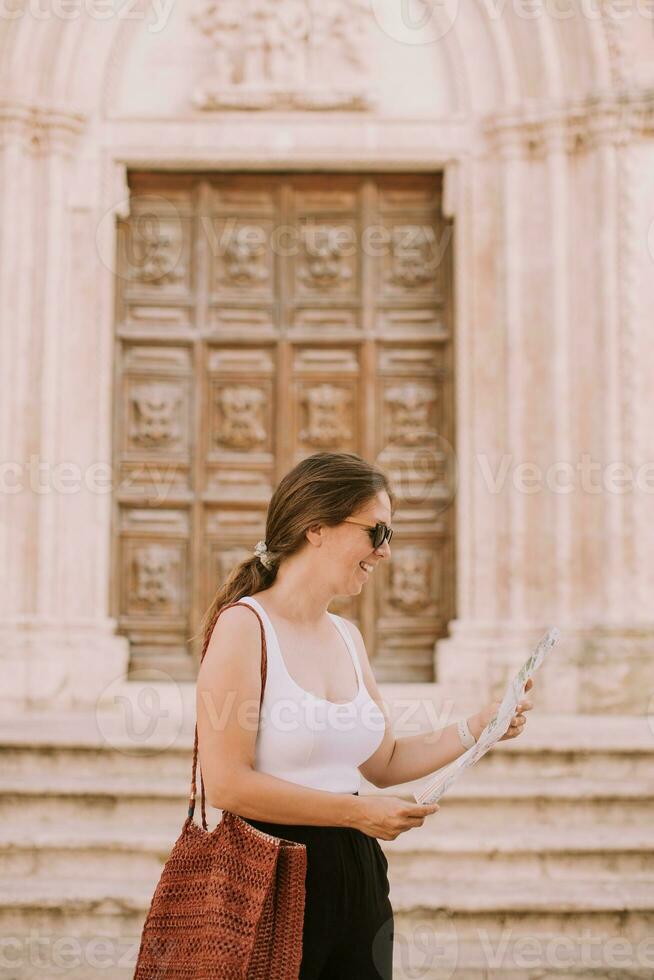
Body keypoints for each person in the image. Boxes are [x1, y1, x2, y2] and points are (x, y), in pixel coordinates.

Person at [196, 451, 533, 979]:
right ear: (317, 529)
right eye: (377, 532)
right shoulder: (244, 626)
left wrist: (481, 725)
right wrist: (356, 814)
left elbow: (386, 761)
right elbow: (226, 784)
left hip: (358, 876)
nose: (387, 552)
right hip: (269, 875)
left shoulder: (348, 638)